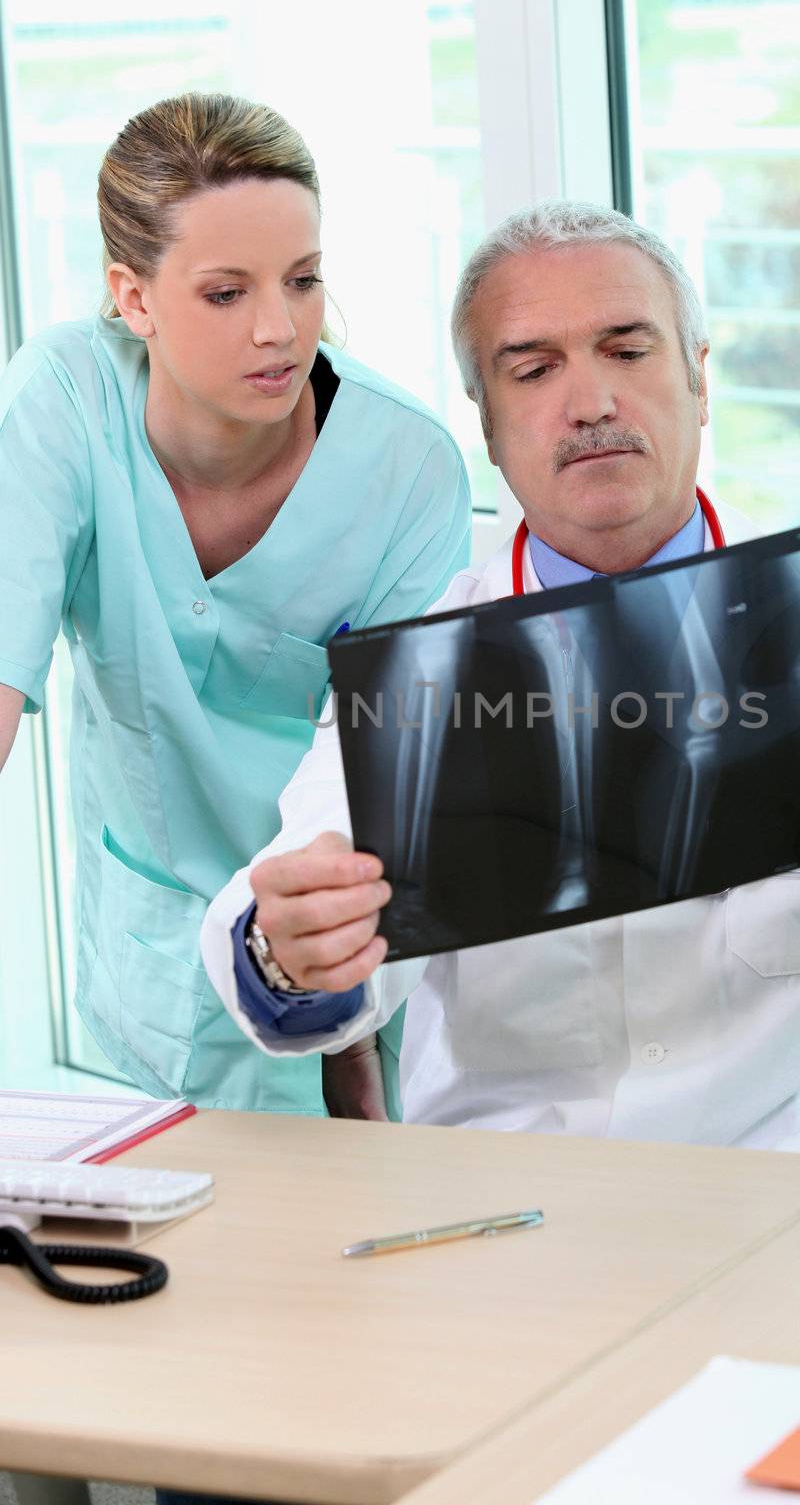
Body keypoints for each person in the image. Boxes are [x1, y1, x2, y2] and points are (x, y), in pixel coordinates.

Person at [200, 202, 800, 1168]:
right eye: (532, 370)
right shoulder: (426, 676)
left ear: (699, 380)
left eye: (627, 352)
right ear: (486, 424)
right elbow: (288, 944)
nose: (589, 403)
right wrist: (291, 951)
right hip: (531, 1215)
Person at [0, 92, 470, 1113]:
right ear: (133, 299)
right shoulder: (60, 407)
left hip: (356, 934)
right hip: (155, 952)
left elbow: (390, 771)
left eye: (302, 281)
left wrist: (347, 1047)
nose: (278, 328)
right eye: (225, 292)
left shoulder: (405, 469)